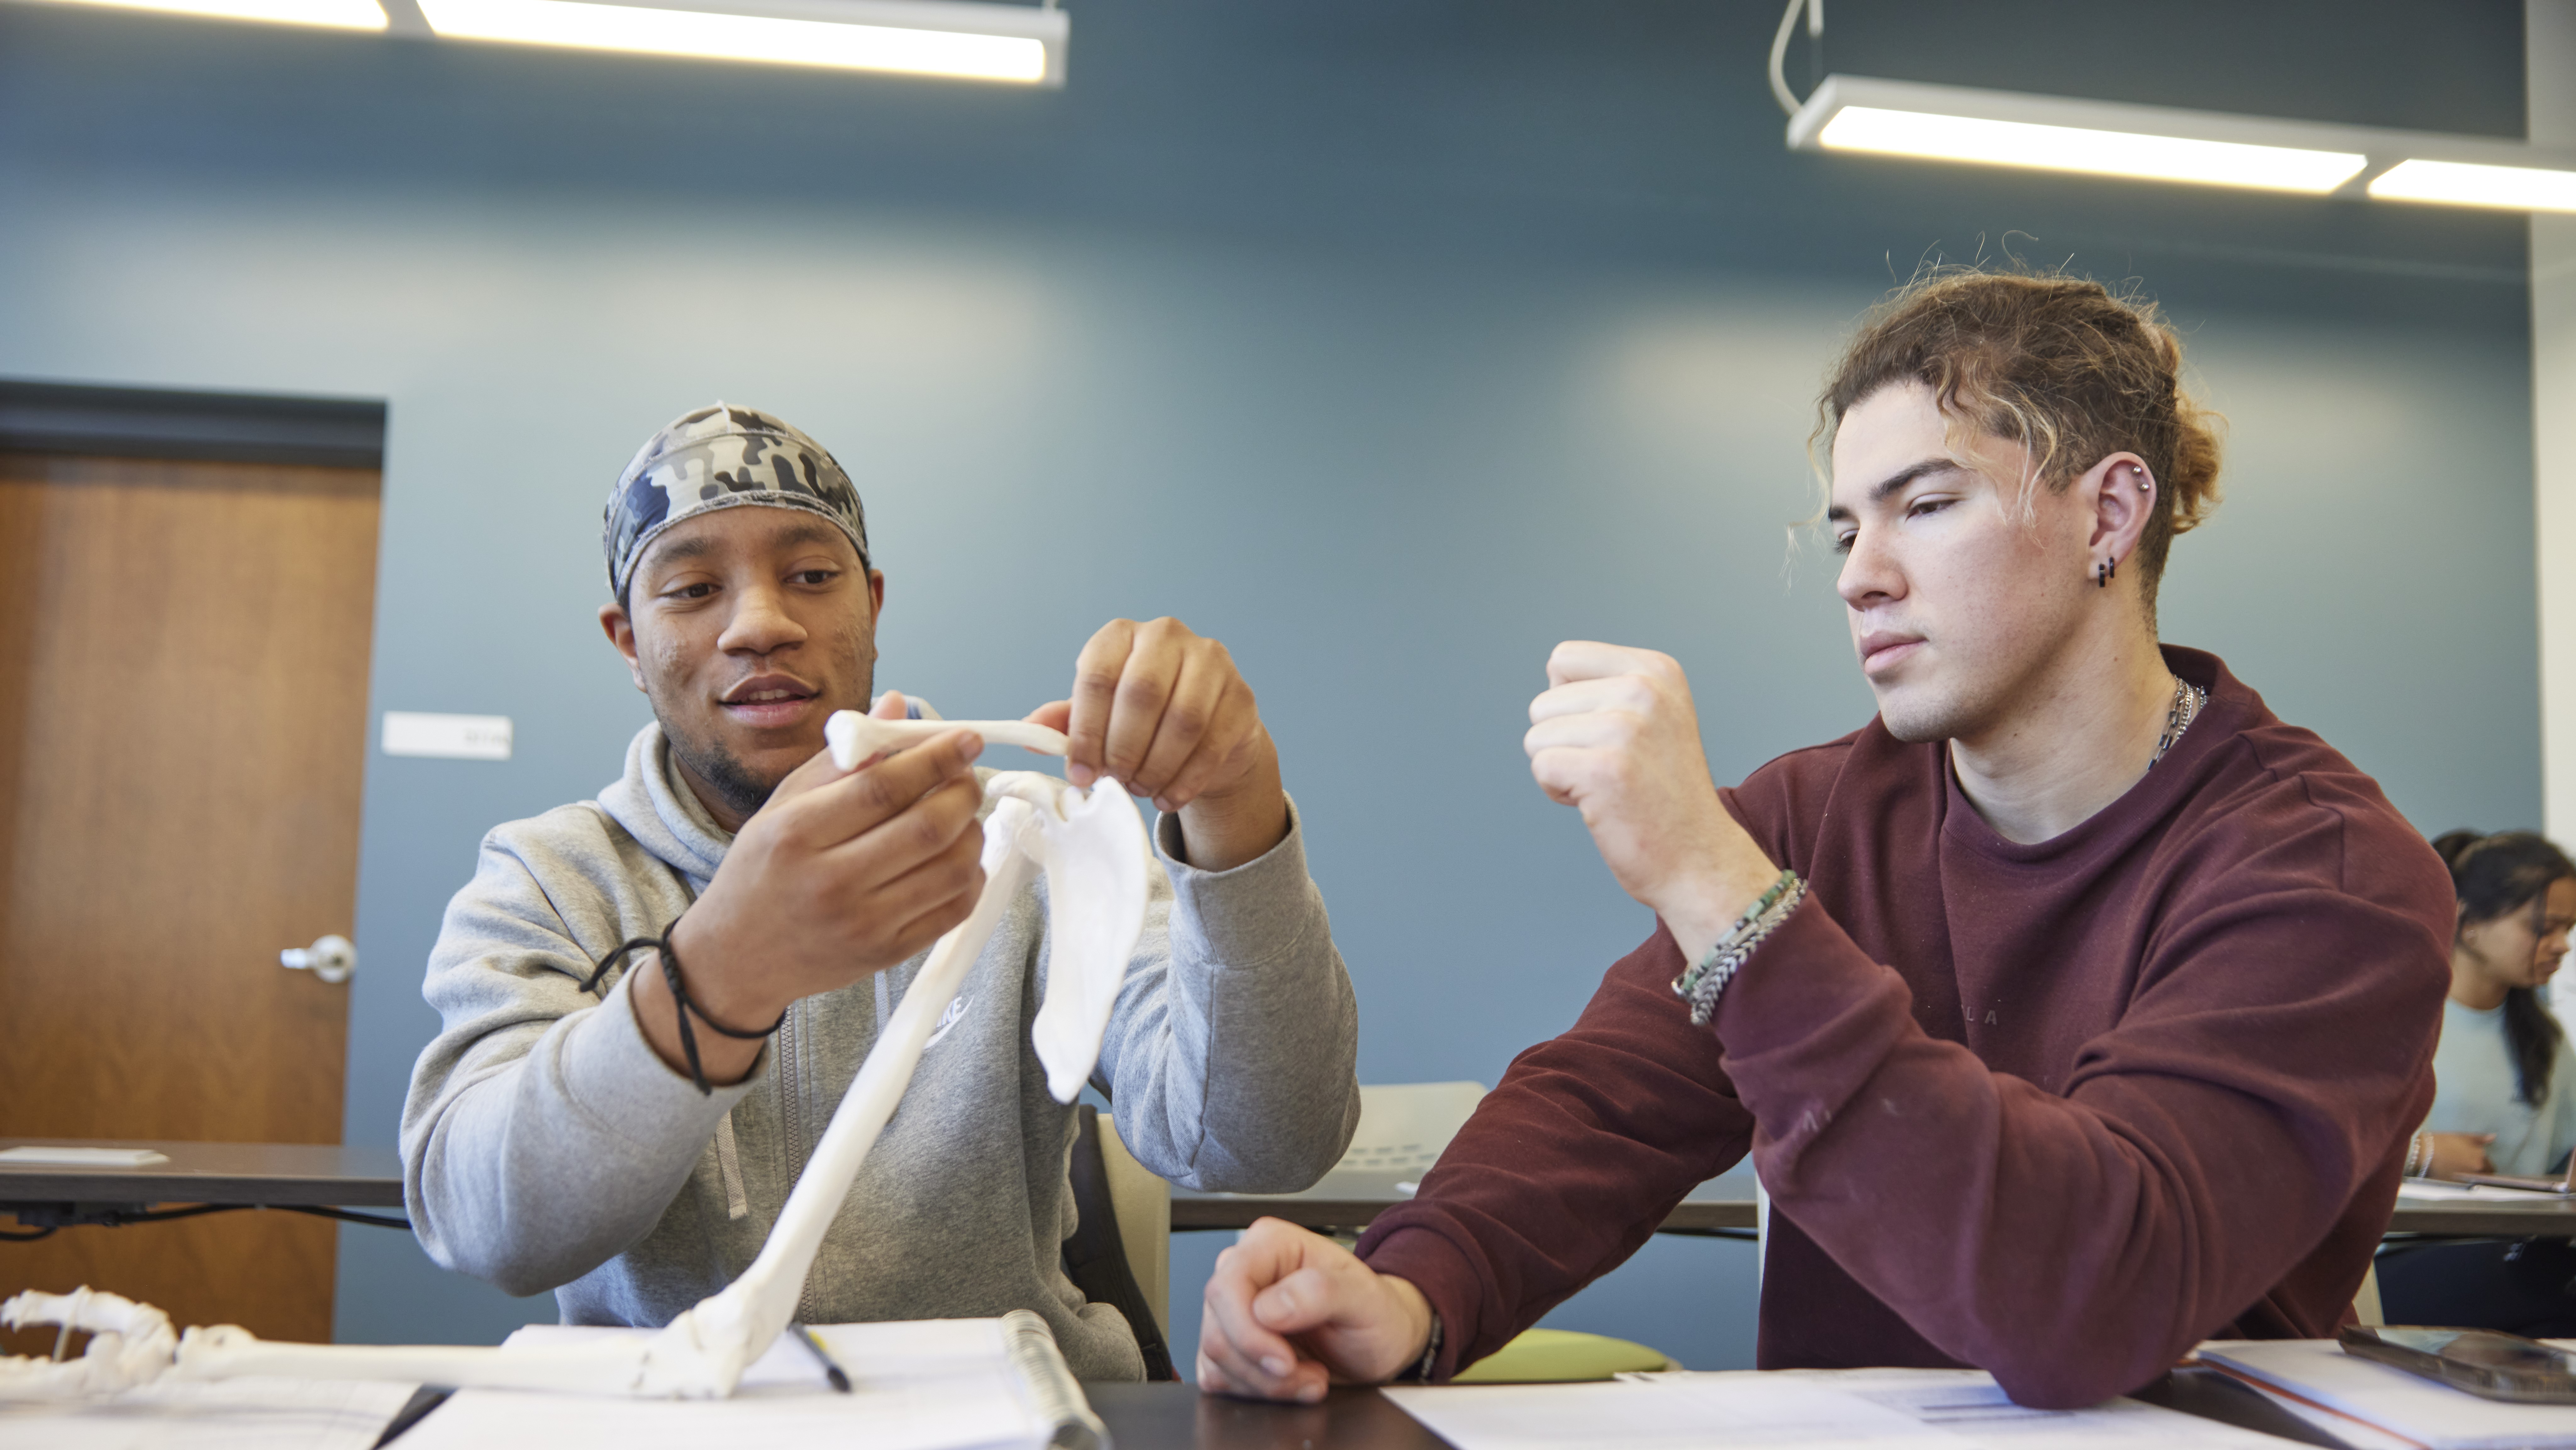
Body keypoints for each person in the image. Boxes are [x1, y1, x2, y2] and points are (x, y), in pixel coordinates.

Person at [1195, 271, 2452, 1409]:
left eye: (1925, 504)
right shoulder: (1809, 815)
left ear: (2109, 514)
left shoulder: (2327, 873)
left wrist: (1712, 883)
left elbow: (2085, 1299)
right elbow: (1605, 1108)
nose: (1859, 575)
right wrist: (1409, 1291)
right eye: (1847, 528)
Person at [402, 404, 1360, 1380]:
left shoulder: (1028, 840)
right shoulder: (551, 877)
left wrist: (1235, 810)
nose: (762, 624)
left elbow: (1264, 1144)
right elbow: (485, 1226)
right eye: (692, 587)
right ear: (629, 643)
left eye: (812, 576)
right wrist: (721, 969)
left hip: (1007, 1422)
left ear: (872, 604)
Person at [2375, 830, 2576, 1337]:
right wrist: (2421, 1154)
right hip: (2399, 1255)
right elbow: (2315, 1148)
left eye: (2569, 929)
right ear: (2468, 925)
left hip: (2522, 1251)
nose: (2562, 946)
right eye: (2545, 928)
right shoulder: (2395, 1019)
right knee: (2551, 1286)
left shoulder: (2547, 1043)